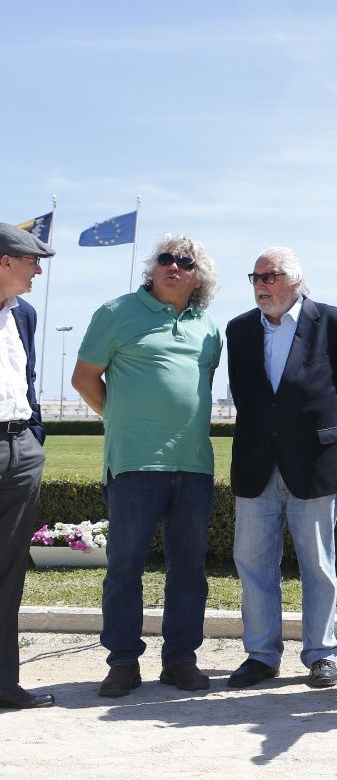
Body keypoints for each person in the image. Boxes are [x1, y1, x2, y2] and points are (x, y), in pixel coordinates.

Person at [72, 235, 223, 698]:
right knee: (124, 569)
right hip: (134, 466)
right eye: (165, 259)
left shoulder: (209, 329)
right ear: (152, 268)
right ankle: (122, 663)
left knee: (189, 571)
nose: (173, 266)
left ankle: (180, 660)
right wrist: (120, 420)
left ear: (199, 277)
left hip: (194, 467)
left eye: (185, 261)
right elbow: (84, 378)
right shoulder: (116, 313)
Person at [225, 247, 337, 689]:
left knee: (318, 563)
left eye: (271, 276)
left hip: (315, 462)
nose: (262, 284)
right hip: (256, 462)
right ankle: (261, 655)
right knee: (253, 562)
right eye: (256, 277)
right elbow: (244, 394)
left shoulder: (335, 322)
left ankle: (321, 654)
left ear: (296, 281)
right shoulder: (239, 329)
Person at [0, 223, 55, 710]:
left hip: (20, 451)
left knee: (9, 571)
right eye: (32, 261)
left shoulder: (26, 314)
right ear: (4, 262)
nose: (38, 269)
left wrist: (33, 435)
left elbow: (27, 379)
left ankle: (3, 685)